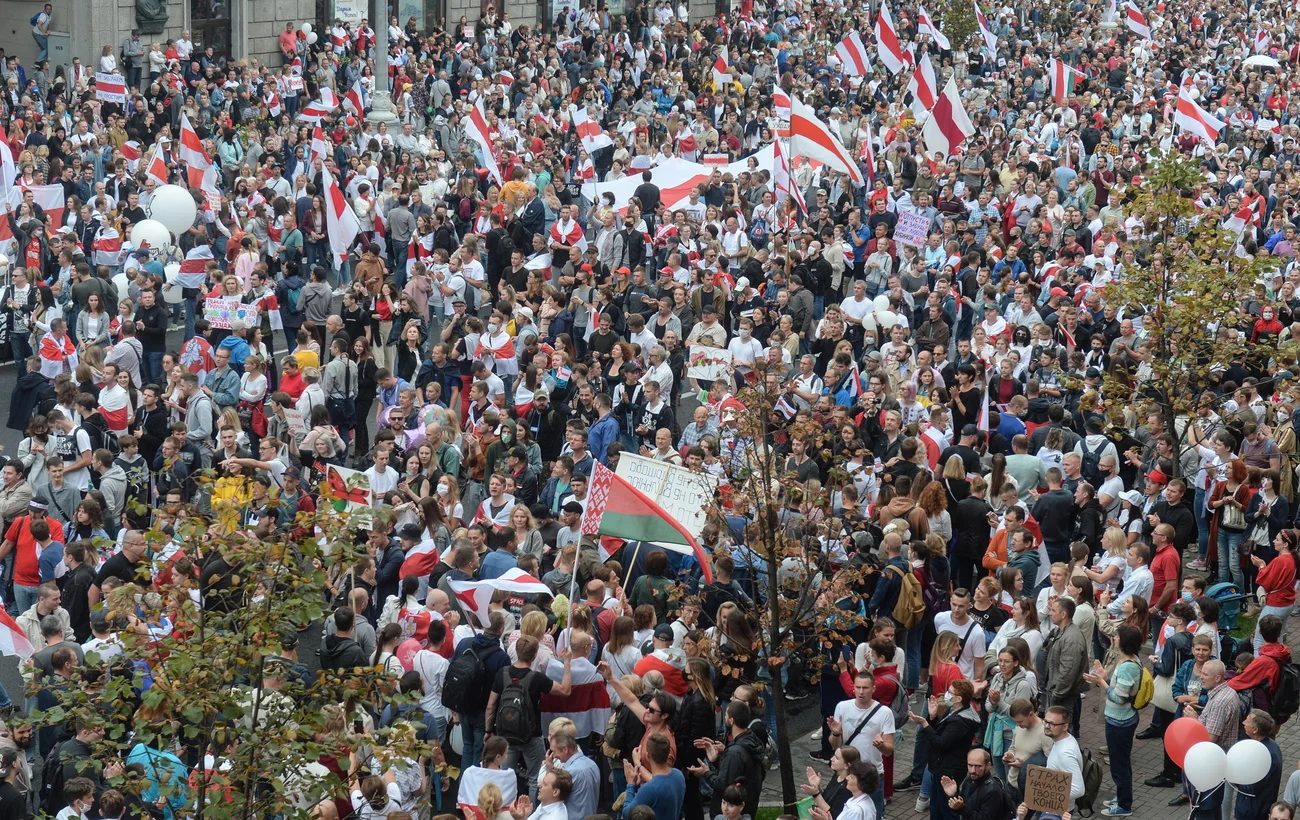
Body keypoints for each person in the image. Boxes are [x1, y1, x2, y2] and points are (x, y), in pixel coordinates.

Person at [1082, 625, 1145, 817]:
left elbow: (1119, 697)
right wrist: (1104, 676)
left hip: (1120, 722)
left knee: (1120, 766)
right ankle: (1121, 797)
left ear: (1124, 641)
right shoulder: (1132, 660)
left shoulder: (1126, 667)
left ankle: (1124, 805)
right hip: (1123, 719)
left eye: (1117, 636)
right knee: (1121, 764)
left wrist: (1101, 683)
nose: (1114, 638)